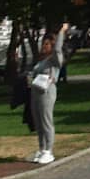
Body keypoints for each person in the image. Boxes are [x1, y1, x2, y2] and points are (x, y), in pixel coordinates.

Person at [28, 23, 69, 165]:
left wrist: (62, 31)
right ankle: (41, 148)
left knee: (46, 121)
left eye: (46, 44)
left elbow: (58, 48)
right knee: (38, 122)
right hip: (35, 92)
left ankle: (49, 151)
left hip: (47, 92)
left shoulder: (54, 60)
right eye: (43, 44)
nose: (43, 46)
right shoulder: (41, 61)